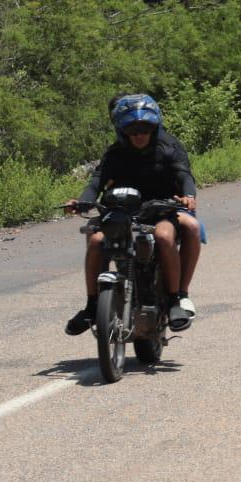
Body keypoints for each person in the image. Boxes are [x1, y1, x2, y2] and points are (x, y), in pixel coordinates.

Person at [64, 94, 202, 335]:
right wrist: (83, 200)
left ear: (154, 127)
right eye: (132, 129)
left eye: (144, 128)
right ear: (121, 130)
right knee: (96, 240)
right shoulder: (115, 153)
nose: (139, 134)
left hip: (162, 209)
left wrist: (188, 195)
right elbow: (97, 180)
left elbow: (184, 175)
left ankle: (175, 299)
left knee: (166, 236)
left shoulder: (169, 147)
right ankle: (92, 305)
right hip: (122, 211)